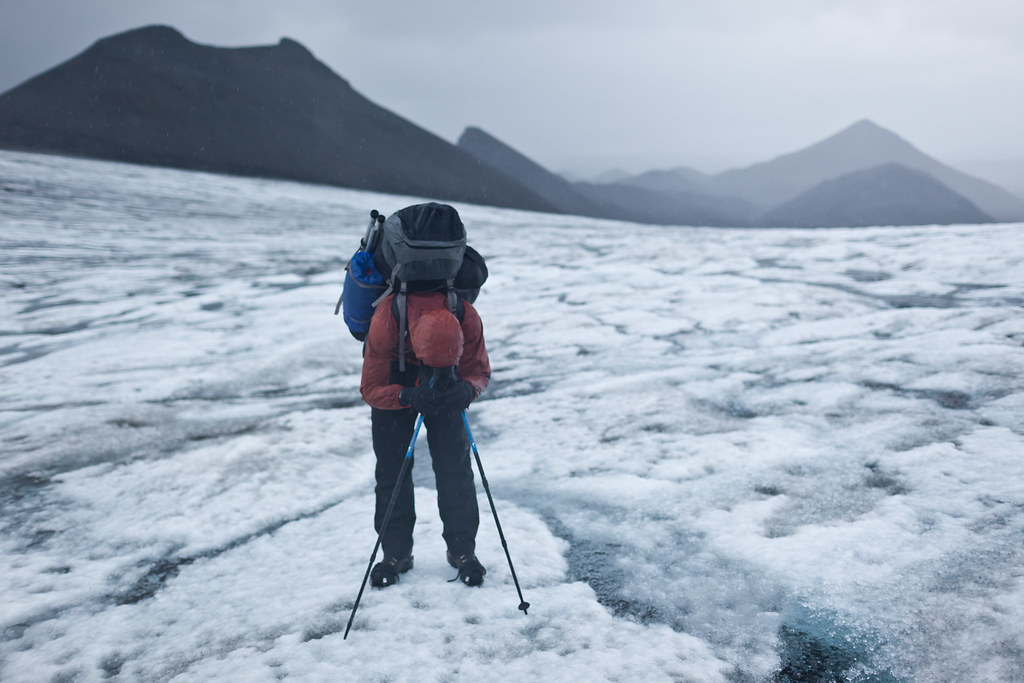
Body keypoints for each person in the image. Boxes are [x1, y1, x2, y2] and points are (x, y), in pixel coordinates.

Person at [359, 289, 491, 588]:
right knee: (392, 471)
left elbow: (479, 370)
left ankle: (463, 552)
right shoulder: (386, 321)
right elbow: (370, 388)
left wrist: (468, 388)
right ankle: (395, 554)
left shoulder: (465, 315)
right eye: (433, 365)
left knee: (455, 469)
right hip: (396, 379)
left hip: (449, 387)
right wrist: (406, 394)